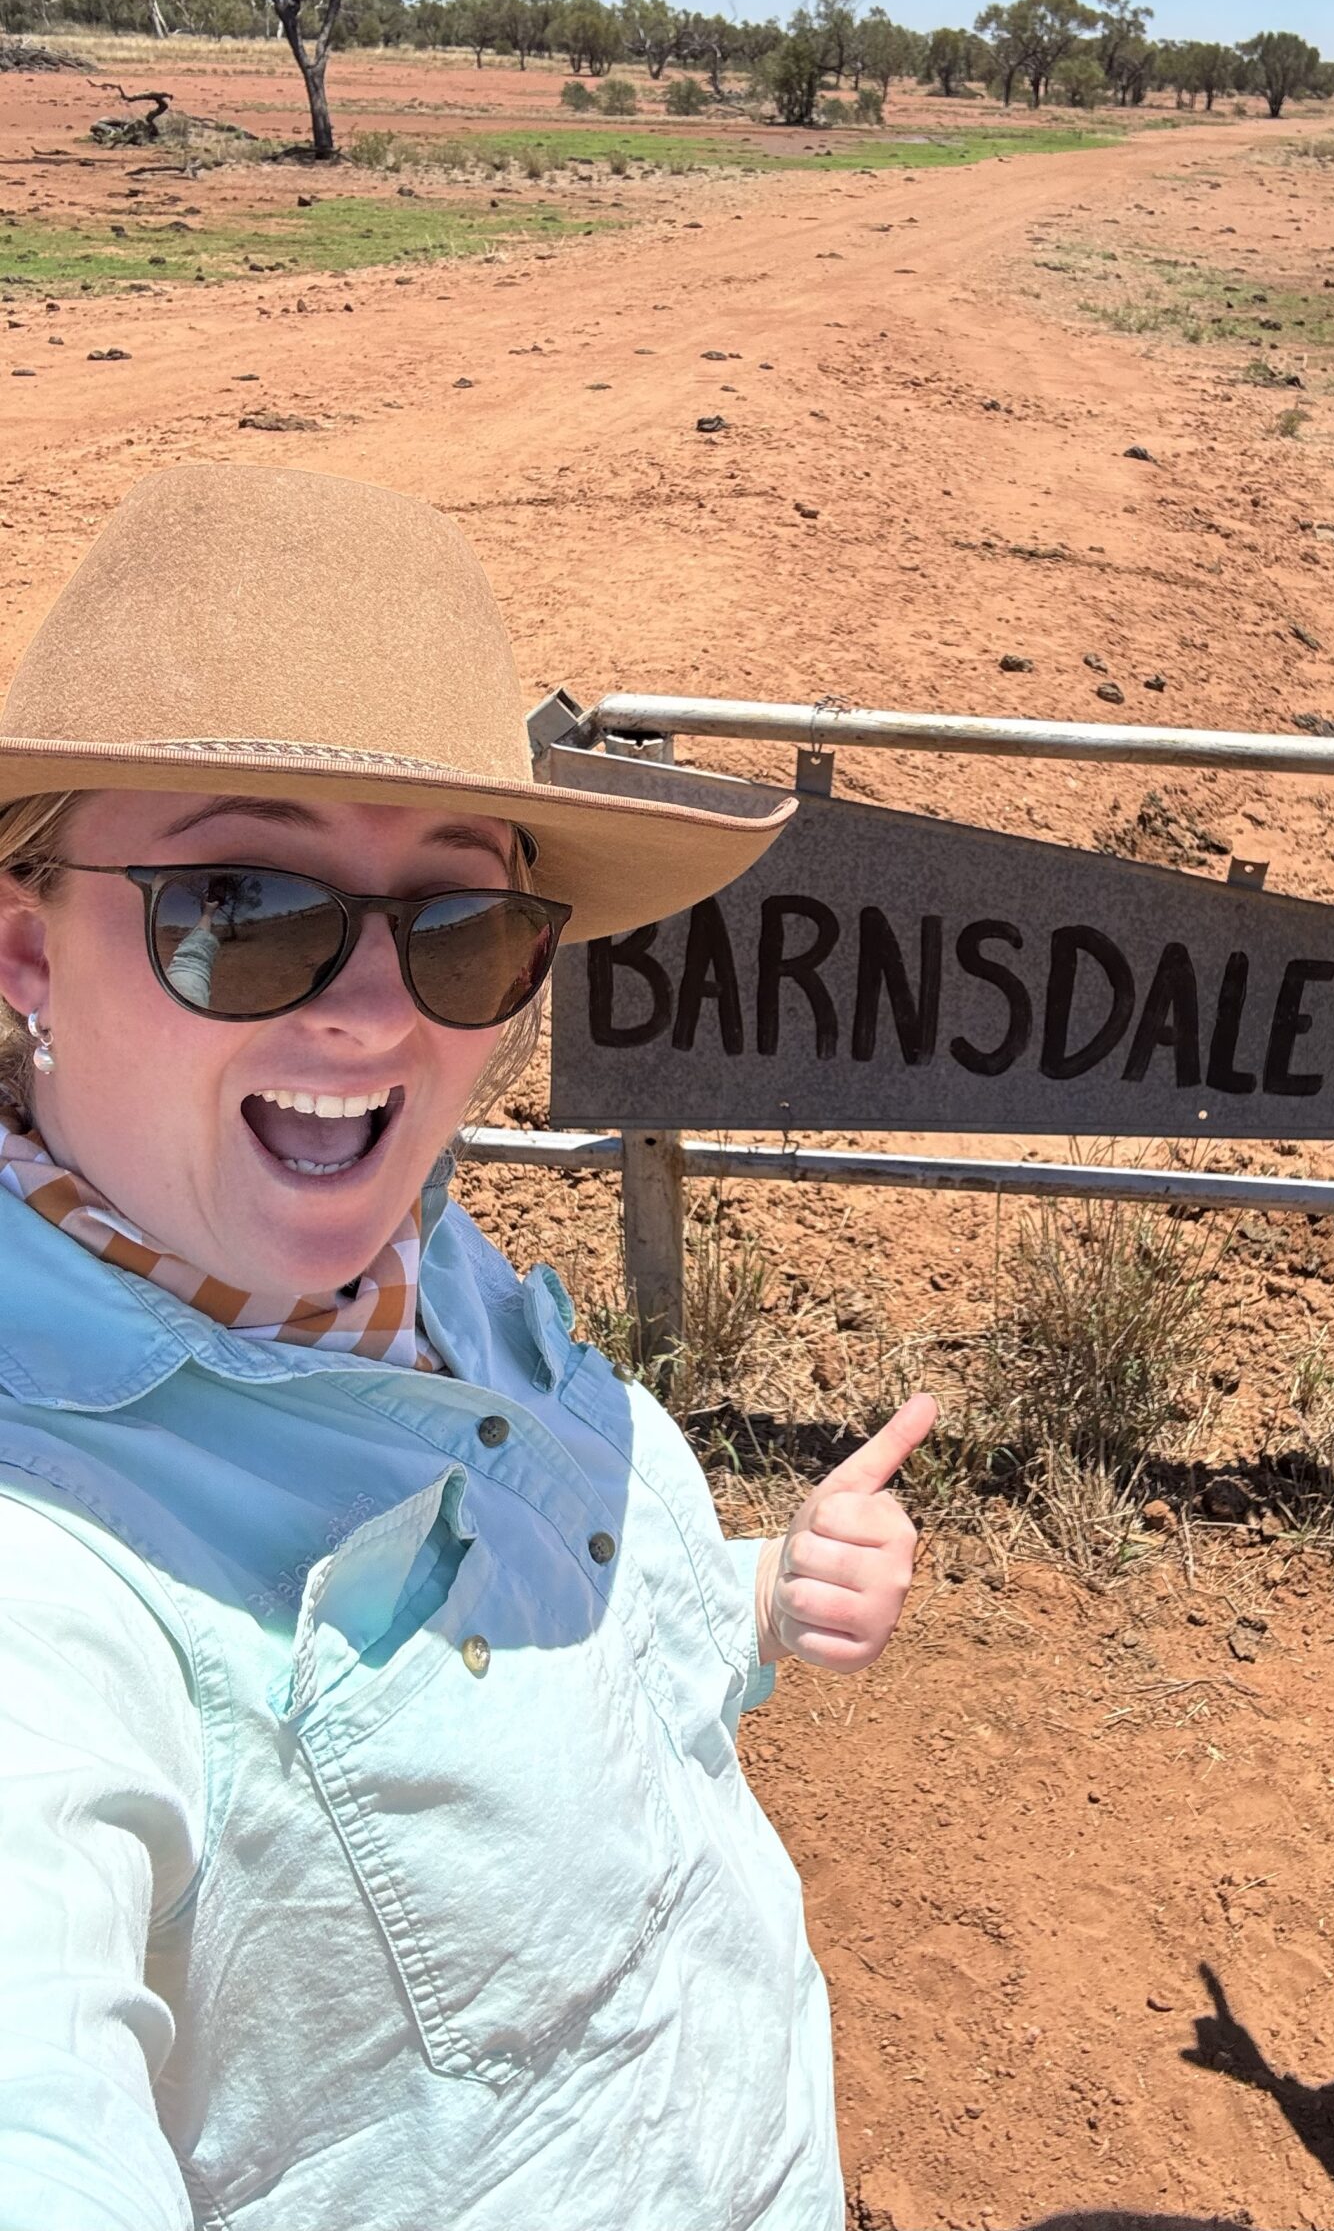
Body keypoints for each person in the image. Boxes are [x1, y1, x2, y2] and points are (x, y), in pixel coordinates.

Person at [0, 464, 934, 2229]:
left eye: (463, 928)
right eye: (240, 916)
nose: (371, 1012)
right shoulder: (44, 1576)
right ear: (29, 952)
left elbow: (552, 1660)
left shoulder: (429, 1266)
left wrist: (743, 1598)